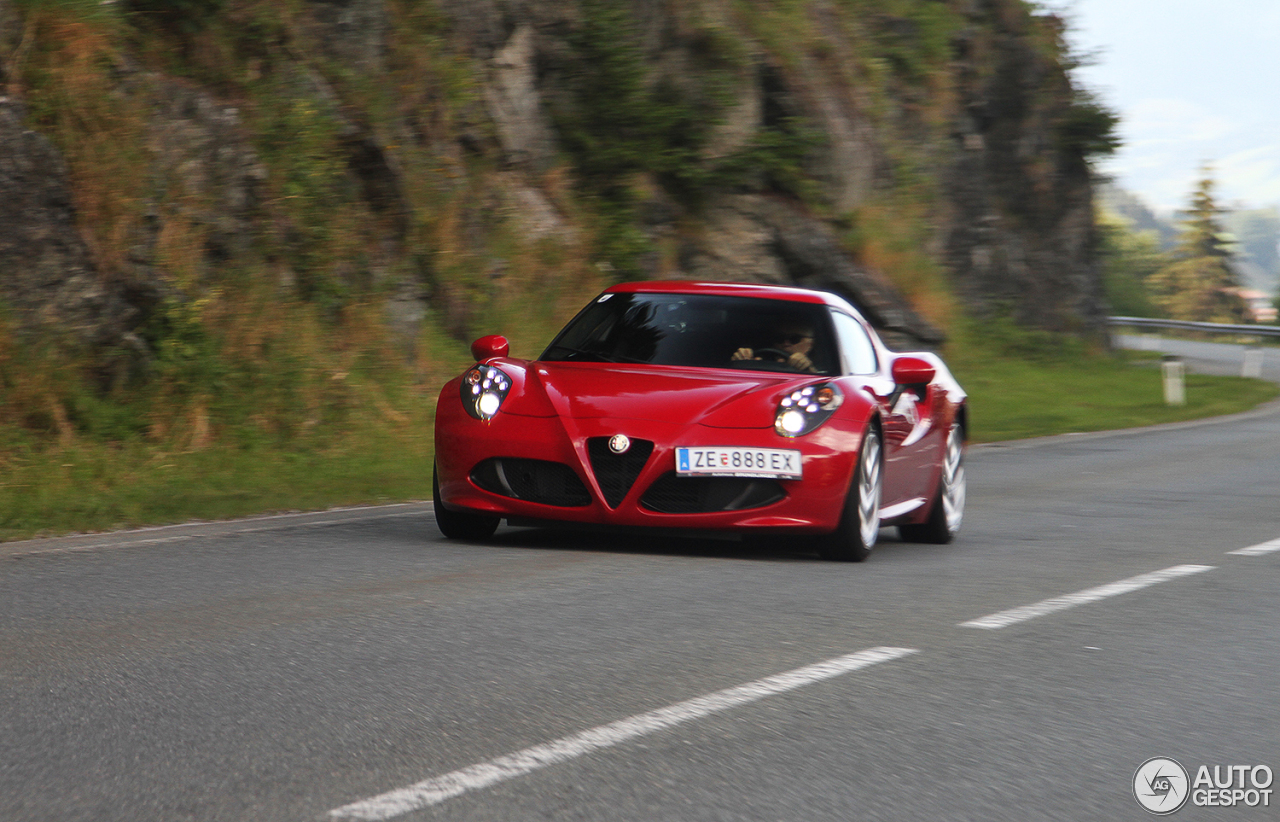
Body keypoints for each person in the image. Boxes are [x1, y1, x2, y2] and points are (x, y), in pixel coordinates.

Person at [732, 323, 818, 373]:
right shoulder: (758, 359)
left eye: (794, 339)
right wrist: (740, 362)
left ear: (811, 343)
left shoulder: (825, 367)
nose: (786, 343)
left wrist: (808, 369)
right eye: (779, 338)